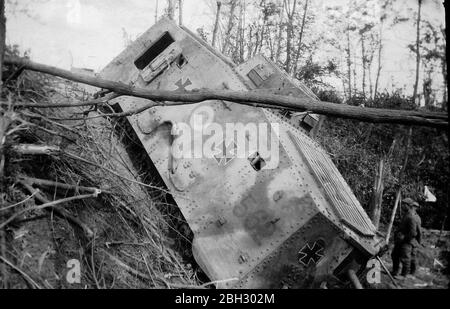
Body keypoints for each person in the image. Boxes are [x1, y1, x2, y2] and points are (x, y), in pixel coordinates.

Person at [391, 197, 422, 278]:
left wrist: (404, 238)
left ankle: (404, 275)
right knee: (395, 255)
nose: (402, 206)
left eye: (404, 204)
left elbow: (413, 232)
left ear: (408, 205)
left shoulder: (411, 216)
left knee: (406, 258)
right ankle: (395, 271)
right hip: (401, 240)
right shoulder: (407, 214)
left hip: (407, 241)